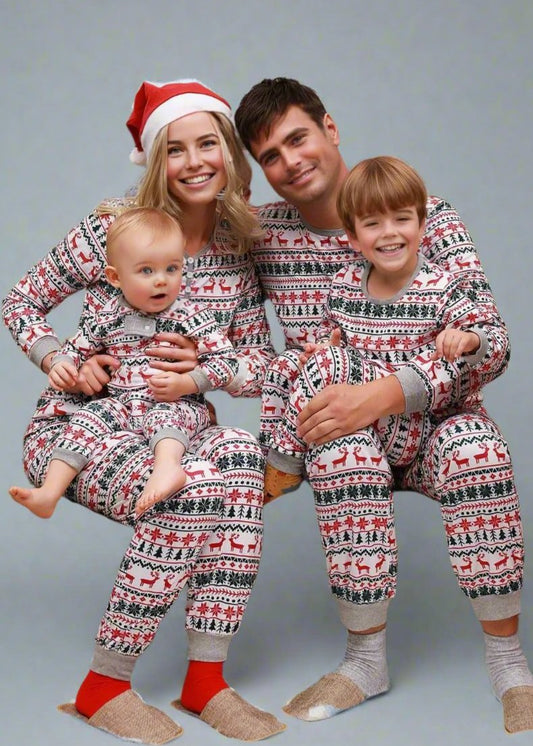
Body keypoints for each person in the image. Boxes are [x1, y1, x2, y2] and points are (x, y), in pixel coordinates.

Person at [235, 78, 533, 733]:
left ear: (329, 128)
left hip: (433, 423)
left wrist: (384, 393)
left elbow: (492, 343)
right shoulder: (264, 234)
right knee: (338, 448)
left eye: (297, 138)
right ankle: (364, 661)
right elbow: (197, 267)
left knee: (477, 453)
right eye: (270, 157)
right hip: (337, 430)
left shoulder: (421, 213)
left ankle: (508, 662)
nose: (290, 161)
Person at [3, 79, 285, 743]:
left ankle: (204, 682)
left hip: (173, 425)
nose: (195, 162)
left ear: (228, 152)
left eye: (207, 144)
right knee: (191, 491)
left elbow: (257, 367)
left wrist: (201, 377)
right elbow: (19, 304)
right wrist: (59, 361)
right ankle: (104, 686)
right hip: (82, 426)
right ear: (158, 160)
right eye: (176, 149)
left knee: (239, 457)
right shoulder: (112, 231)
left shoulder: (233, 253)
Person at [263, 155, 509, 500]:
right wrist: (322, 350)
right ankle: (268, 454)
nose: (389, 232)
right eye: (373, 223)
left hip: (413, 426)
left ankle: (285, 463)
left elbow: (490, 339)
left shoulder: (442, 286)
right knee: (286, 365)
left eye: (402, 219)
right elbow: (330, 337)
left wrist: (468, 338)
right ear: (353, 236)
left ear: (422, 227)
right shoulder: (343, 285)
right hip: (363, 429)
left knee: (326, 366)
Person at [9, 206, 246, 519]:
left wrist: (187, 383)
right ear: (115, 277)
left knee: (167, 415)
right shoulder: (107, 315)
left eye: (172, 269)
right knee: (90, 415)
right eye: (147, 271)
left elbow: (226, 361)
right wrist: (63, 364)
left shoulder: (190, 316)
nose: (161, 281)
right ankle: (49, 492)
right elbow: (80, 345)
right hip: (123, 405)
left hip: (175, 403)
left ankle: (167, 469)